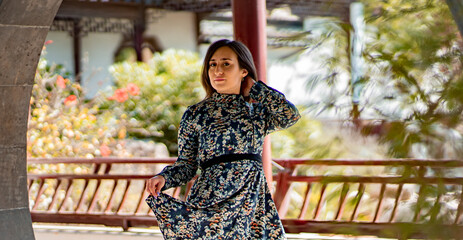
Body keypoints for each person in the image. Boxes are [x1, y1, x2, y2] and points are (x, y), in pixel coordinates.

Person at [145, 39, 300, 239]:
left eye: (226, 64)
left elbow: (290, 116)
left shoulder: (257, 112)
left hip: (252, 205)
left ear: (244, 70)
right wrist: (164, 178)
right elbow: (187, 165)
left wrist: (256, 90)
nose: (218, 70)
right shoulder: (196, 114)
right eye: (213, 64)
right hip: (211, 203)